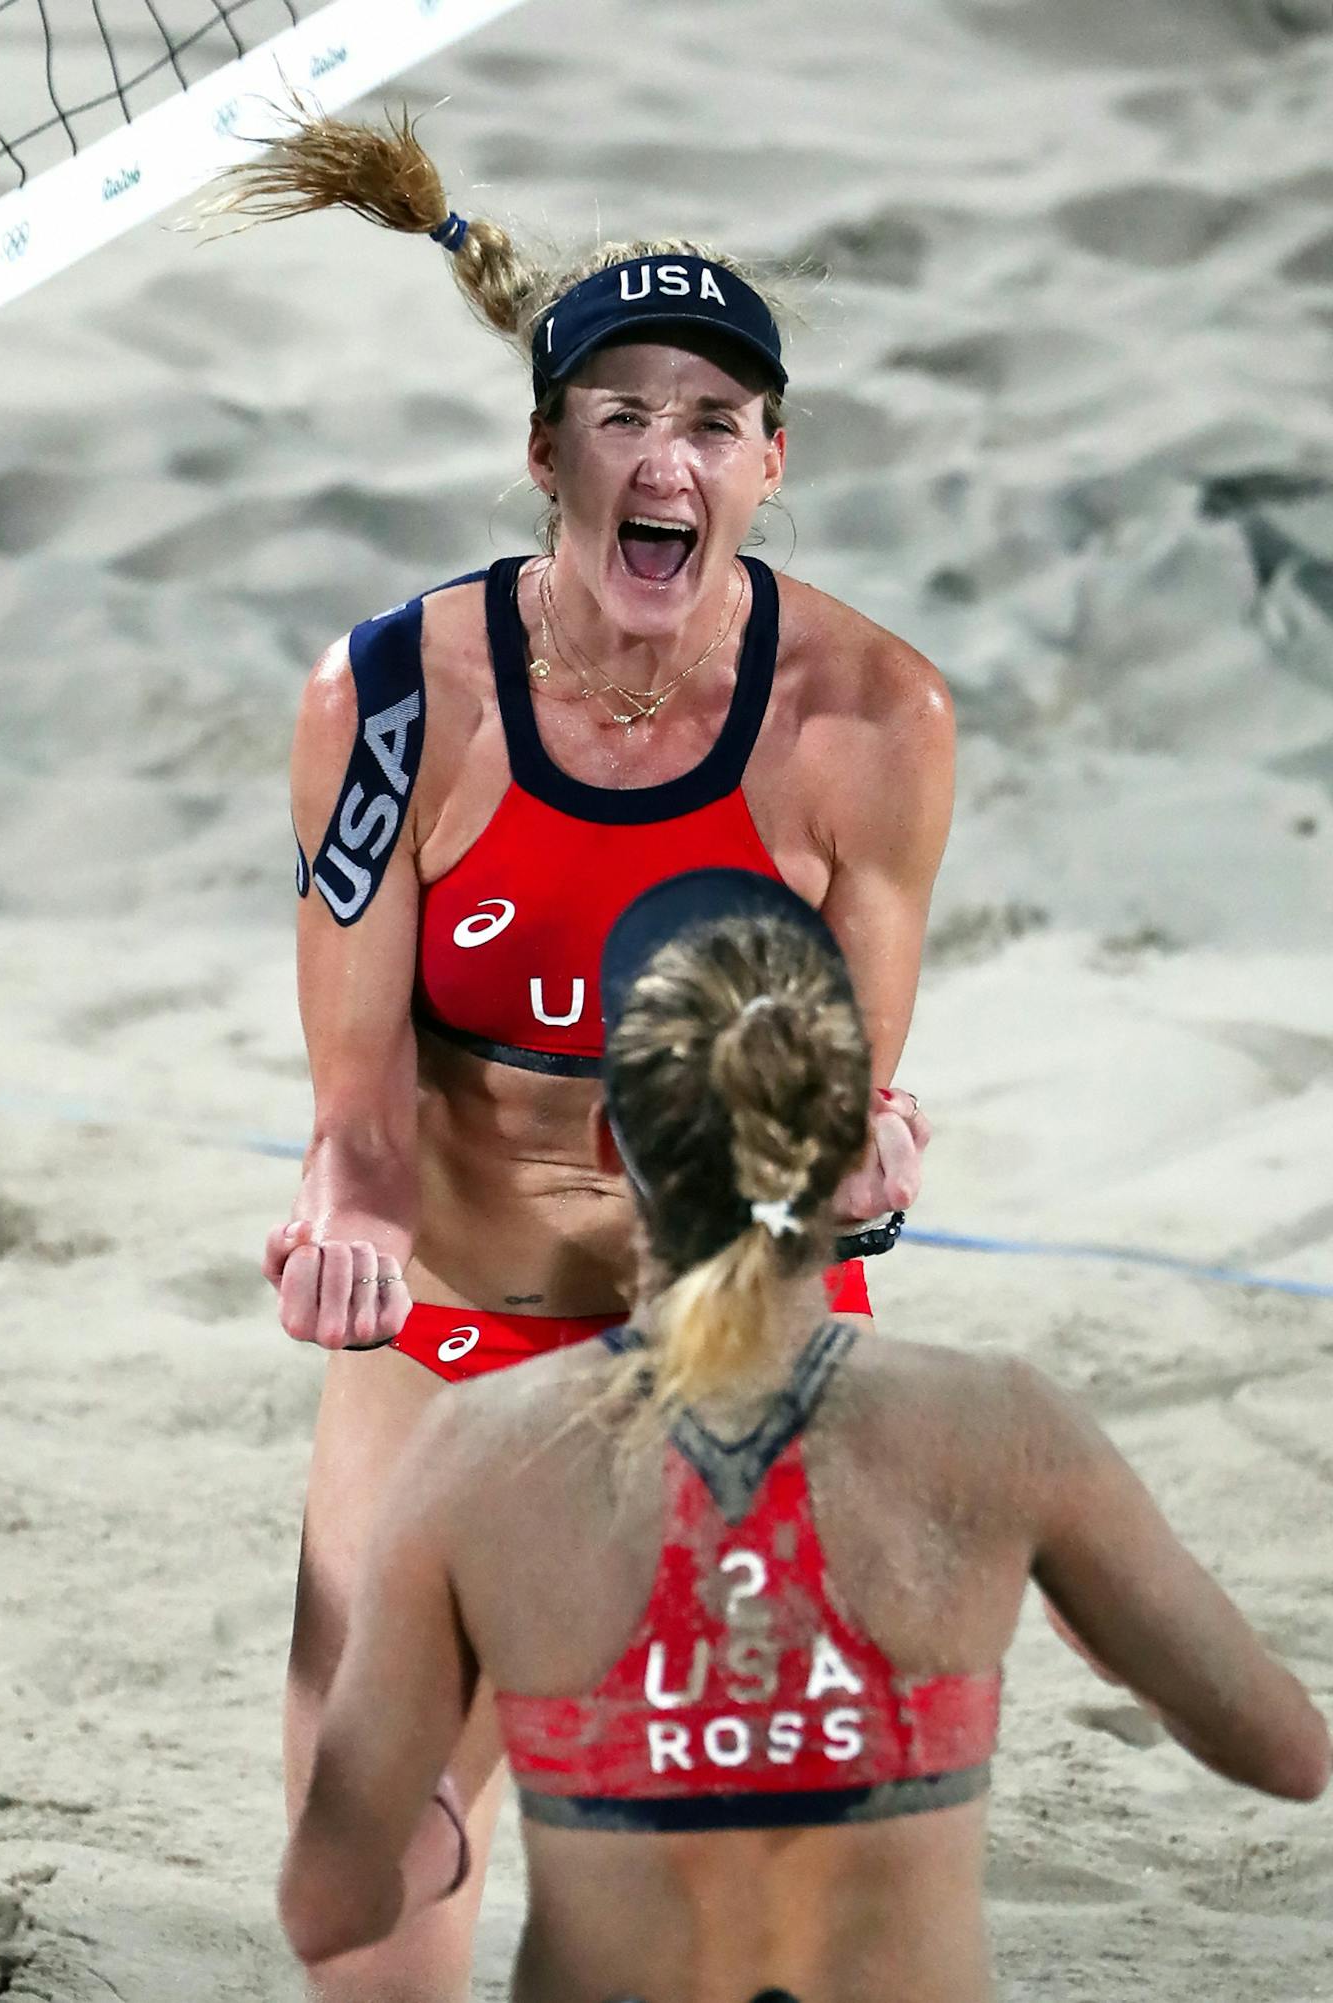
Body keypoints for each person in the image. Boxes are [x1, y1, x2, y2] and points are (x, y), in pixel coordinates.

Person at [211, 107, 949, 1999]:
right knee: (361, 1882)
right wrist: (338, 1215)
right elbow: (357, 1115)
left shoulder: (867, 719)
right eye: (619, 412)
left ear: (769, 464)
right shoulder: (388, 699)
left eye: (711, 420)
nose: (664, 453)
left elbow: (836, 1097)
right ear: (543, 446)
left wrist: (847, 1157)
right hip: (450, 1311)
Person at [278, 869, 1330, 2003]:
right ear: (856, 1153)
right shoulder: (1005, 1431)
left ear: (602, 1139)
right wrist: (1119, 1629)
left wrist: (431, 1819)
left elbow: (328, 1903)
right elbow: (1285, 1752)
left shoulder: (479, 1455)